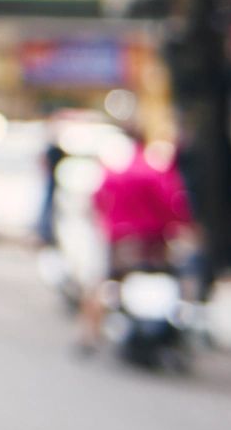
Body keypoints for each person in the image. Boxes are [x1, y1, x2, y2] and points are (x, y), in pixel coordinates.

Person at [77, 129, 193, 351]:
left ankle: (89, 335)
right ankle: (177, 338)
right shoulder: (154, 172)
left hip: (119, 241)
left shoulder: (114, 172)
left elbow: (97, 201)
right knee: (176, 283)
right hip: (151, 243)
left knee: (103, 286)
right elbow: (173, 206)